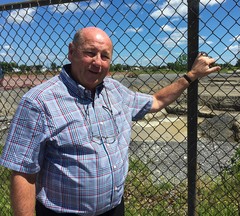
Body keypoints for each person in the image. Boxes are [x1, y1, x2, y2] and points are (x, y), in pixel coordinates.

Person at [0, 27, 221, 216]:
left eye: (105, 56)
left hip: (114, 208)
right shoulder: (39, 102)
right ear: (71, 52)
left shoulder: (116, 91)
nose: (97, 62)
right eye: (90, 53)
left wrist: (191, 75)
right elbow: (23, 172)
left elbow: (156, 100)